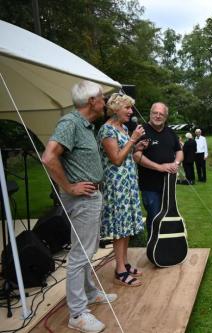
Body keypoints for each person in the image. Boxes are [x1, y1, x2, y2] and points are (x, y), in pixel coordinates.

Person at [41, 80, 116, 333]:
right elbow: (49, 157)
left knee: (88, 249)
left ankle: (89, 292)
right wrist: (69, 187)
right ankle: (77, 314)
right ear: (91, 101)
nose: (105, 102)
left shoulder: (86, 126)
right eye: (102, 98)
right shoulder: (70, 123)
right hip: (81, 198)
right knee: (79, 254)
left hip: (91, 196)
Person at [98, 93, 148, 287]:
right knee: (120, 228)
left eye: (130, 108)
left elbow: (126, 154)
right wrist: (133, 139)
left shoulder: (124, 128)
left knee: (126, 227)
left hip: (128, 184)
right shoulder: (106, 130)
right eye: (127, 108)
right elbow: (116, 159)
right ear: (115, 108)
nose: (130, 111)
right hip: (116, 186)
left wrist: (137, 145)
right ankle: (119, 272)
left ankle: (124, 264)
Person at [133, 103, 183, 238]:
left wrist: (176, 163)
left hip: (168, 186)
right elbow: (136, 156)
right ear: (150, 114)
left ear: (166, 117)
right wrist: (160, 167)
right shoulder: (141, 131)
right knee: (154, 217)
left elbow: (179, 151)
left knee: (168, 216)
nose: (158, 116)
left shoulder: (170, 132)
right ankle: (154, 248)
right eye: (155, 113)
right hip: (150, 186)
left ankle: (166, 247)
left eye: (161, 114)